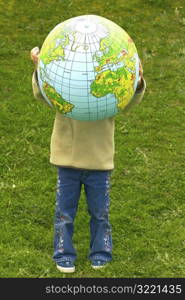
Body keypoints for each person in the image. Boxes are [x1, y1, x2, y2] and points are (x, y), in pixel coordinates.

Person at [30, 46, 146, 273]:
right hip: (67, 163)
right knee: (64, 213)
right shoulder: (66, 90)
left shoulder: (108, 95)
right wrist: (40, 69)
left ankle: (100, 253)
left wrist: (138, 81)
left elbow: (130, 101)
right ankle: (64, 255)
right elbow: (42, 94)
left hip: (98, 164)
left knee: (100, 213)